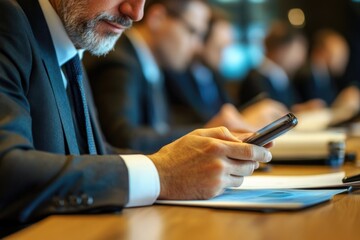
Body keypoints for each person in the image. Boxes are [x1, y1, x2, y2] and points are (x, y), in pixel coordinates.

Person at [0, 0, 272, 231]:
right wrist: (161, 174)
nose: (135, 12)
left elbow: (96, 154)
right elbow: (7, 170)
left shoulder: (70, 48)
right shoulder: (8, 21)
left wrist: (189, 161)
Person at [84, 0, 256, 153]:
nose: (197, 47)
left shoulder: (150, 65)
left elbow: (161, 125)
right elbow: (124, 139)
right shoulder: (118, 61)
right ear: (157, 18)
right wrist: (207, 131)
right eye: (192, 31)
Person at [238, 21, 313, 110]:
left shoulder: (280, 75)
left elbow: (288, 106)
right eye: (297, 51)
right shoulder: (255, 80)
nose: (301, 58)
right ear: (281, 49)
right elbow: (265, 113)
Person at [293, 29, 360, 114]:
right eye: (339, 54)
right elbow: (300, 106)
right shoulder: (302, 75)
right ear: (323, 51)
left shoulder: (327, 77)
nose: (344, 60)